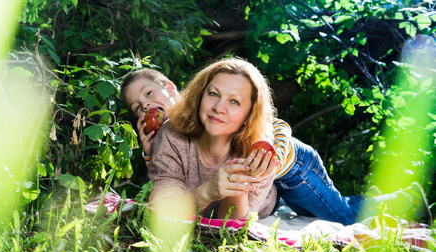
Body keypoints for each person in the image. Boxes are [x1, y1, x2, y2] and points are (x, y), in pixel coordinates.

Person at [121, 60, 433, 226]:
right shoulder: (171, 135)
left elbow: (275, 127)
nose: (146, 106)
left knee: (339, 216)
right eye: (137, 107)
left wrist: (267, 147)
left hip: (293, 165)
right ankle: (372, 201)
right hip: (271, 184)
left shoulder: (253, 135)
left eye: (149, 94)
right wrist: (152, 155)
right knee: (316, 212)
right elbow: (166, 191)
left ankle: (404, 202)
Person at [145, 58, 279, 219]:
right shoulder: (172, 134)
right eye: (213, 94)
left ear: (249, 115)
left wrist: (240, 182)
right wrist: (207, 192)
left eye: (234, 101)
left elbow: (230, 227)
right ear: (200, 95)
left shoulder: (259, 154)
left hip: (285, 184)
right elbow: (164, 211)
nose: (218, 108)